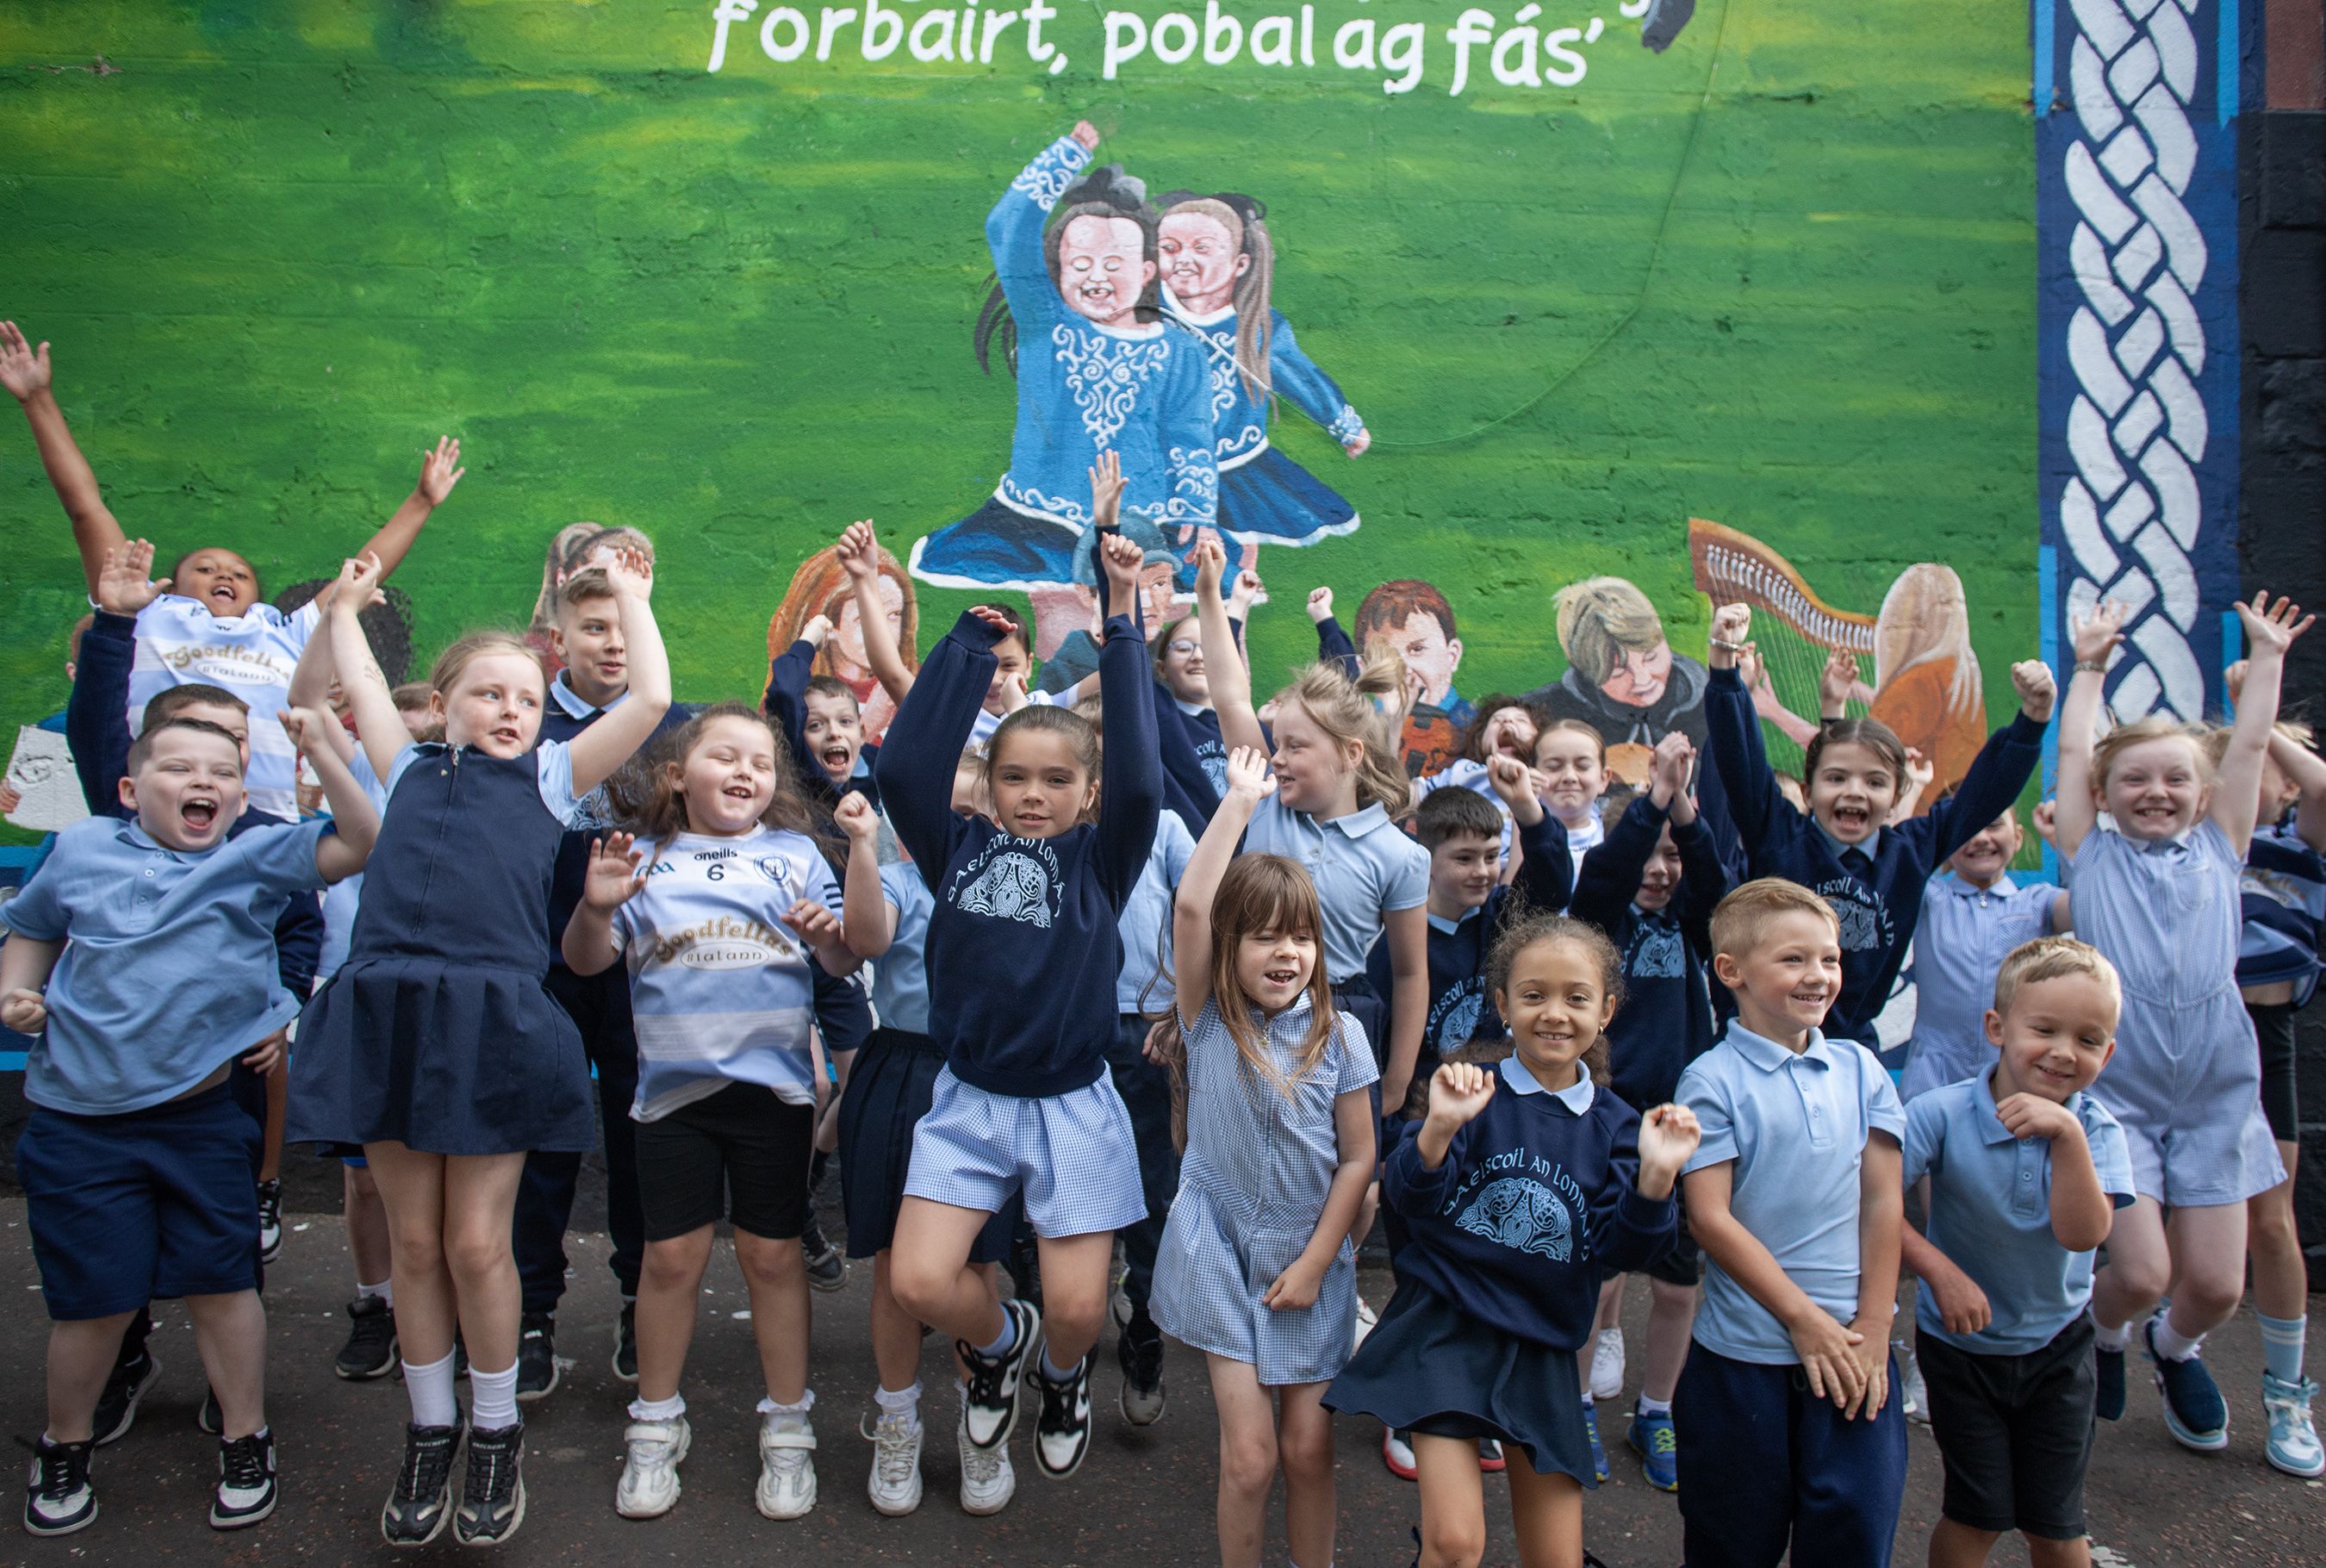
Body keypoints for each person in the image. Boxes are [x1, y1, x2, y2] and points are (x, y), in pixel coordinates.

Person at [284, 545, 670, 1547]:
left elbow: (650, 697)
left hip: (492, 1022)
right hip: (393, 1016)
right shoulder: (403, 764)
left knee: (473, 1242)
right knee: (414, 1243)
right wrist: (346, 606)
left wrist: (629, 594)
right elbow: (362, 674)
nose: (511, 710)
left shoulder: (549, 780)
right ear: (443, 701)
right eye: (488, 693)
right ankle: (430, 1427)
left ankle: (494, 1433)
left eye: (528, 699)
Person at [1, 705, 377, 1537]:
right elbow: (31, 929)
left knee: (223, 1282)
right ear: (133, 790)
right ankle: (65, 1444)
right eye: (179, 769)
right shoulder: (81, 850)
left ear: (242, 798)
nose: (203, 782)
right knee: (92, 1300)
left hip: (201, 1118)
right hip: (78, 1120)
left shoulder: (254, 856)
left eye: (224, 772)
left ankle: (247, 1436)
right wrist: (14, 993)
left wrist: (321, 750)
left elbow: (363, 839)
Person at [875, 517, 1161, 1484]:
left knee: (1080, 1312)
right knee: (920, 1280)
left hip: (1075, 1102)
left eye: (1055, 780)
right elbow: (903, 768)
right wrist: (964, 651)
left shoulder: (1103, 858)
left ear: (1088, 792)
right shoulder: (954, 846)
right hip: (970, 1098)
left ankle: (1065, 1372)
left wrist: (1123, 627)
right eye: (1014, 778)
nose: (1033, 794)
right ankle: (1000, 1344)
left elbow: (1146, 774)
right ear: (990, 786)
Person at [558, 706, 858, 1522]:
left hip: (773, 1097)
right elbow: (588, 962)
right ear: (676, 775)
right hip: (672, 1100)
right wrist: (594, 908)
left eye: (760, 762)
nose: (744, 771)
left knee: (771, 1257)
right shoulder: (641, 858)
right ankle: (656, 1425)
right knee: (669, 1261)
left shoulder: (796, 855)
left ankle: (788, 1427)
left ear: (773, 784)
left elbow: (840, 958)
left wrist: (830, 933)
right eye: (723, 756)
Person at [1328, 915, 1697, 1568]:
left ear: (1607, 1010)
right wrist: (1438, 1129)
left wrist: (1657, 1179)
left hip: (1544, 1345)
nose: (1554, 1014)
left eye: (1576, 997)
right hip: (1445, 1333)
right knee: (1455, 1544)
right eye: (1533, 995)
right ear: (1502, 1005)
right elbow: (1409, 1201)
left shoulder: (1619, 1127)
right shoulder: (1472, 1091)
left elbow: (1625, 1253)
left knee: (1555, 1558)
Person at [60, 538, 328, 1436]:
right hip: (109, 1073)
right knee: (112, 1239)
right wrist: (114, 624)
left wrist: (284, 1006)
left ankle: (230, 1383)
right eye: (194, 752)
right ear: (140, 773)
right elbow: (97, 723)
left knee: (221, 1243)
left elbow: (299, 932)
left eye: (237, 749)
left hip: (226, 1064)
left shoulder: (261, 837)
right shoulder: (117, 823)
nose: (221, 767)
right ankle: (123, 1347)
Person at [0, 320, 457, 825]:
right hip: (159, 817)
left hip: (257, 824)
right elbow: (86, 510)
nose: (227, 575)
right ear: (172, 588)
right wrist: (36, 401)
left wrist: (421, 502)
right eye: (207, 567)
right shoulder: (147, 613)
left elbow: (363, 570)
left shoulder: (281, 633)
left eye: (240, 573)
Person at [2053, 594, 2310, 1456]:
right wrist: (2089, 664)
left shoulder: (2220, 846)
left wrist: (2267, 661)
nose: (2155, 790)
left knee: (2212, 1285)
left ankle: (2175, 1344)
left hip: (2215, 1097)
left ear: (2203, 798)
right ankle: (2111, 1331)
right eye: (2135, 778)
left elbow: (2244, 747)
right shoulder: (2092, 854)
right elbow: (2074, 745)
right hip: (2120, 1098)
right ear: (2102, 793)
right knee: (2140, 1272)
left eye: (2174, 779)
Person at [1147, 747, 1378, 1568]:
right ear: (1229, 947)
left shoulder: (1343, 1036)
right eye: (1265, 938)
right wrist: (1239, 803)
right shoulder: (1208, 1018)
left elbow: (1359, 1162)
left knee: (1310, 1452)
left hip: (1309, 1259)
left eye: (1303, 937)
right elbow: (1188, 906)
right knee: (1252, 1457)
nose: (1287, 954)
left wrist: (1320, 1263)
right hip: (1217, 1248)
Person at [911, 123, 1218, 658]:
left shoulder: (1180, 349)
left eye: (1114, 265)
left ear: (1147, 271)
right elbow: (1007, 227)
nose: (1097, 277)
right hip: (1043, 525)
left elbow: (1190, 437)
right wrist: (1068, 153)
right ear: (1056, 274)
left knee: (1162, 658)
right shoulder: (1044, 325)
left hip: (1152, 530)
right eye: (1080, 265)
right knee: (1065, 654)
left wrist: (1198, 507)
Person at [1673, 878, 1908, 1568]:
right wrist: (1801, 1319)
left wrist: (1875, 1327)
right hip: (1743, 1363)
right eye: (1795, 960)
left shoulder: (1863, 1070)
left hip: (1854, 1354)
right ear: (1732, 971)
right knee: (1732, 1542)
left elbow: (1883, 1203)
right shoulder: (1710, 1080)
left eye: (1830, 960)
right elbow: (1710, 1219)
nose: (1819, 976)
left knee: (1854, 1537)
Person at [1701, 600, 2053, 1055]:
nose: (1854, 792)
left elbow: (1983, 795)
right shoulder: (1779, 834)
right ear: (1807, 793)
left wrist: (2032, 721)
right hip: (1761, 1041)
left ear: (1894, 799)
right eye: (1836, 778)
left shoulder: (1910, 851)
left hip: (1851, 1050)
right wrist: (1724, 669)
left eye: (1875, 781)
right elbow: (1740, 756)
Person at [508, 564, 691, 1401]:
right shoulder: (525, 723)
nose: (611, 642)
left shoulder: (675, 728)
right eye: (593, 627)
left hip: (641, 970)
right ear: (559, 637)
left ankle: (633, 1296)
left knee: (635, 1139)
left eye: (624, 626)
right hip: (539, 965)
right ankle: (532, 1310)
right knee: (542, 1140)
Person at [1900, 936, 2134, 1568]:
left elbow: (2084, 1235)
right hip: (1959, 1352)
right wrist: (1938, 1271)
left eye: (2088, 1041)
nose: (2063, 1053)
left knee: (2057, 1528)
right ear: (1998, 1028)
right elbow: (1872, 1208)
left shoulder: (2097, 1131)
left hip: (2058, 1348)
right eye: (2045, 1030)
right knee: (1976, 1517)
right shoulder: (1939, 1114)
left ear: (2107, 1054)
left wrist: (2068, 1137)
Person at [830, 778, 1027, 1518]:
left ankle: (983, 1425)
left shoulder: (1020, 889)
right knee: (892, 1262)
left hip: (986, 1080)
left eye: (978, 815)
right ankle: (898, 1419)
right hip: (904, 1071)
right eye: (946, 817)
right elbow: (866, 939)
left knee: (975, 1264)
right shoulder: (900, 880)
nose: (963, 830)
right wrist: (860, 846)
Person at [1192, 540, 1429, 1121]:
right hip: (1248, 1013)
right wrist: (1208, 596)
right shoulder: (1268, 806)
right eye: (1278, 743)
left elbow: (1409, 971)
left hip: (1343, 1020)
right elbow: (1229, 694)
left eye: (1296, 747)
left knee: (1338, 1177)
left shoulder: (1399, 854)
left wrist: (1397, 1080)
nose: (1276, 757)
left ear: (1350, 754)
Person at [1567, 731, 1730, 1492]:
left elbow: (1715, 882)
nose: (1660, 870)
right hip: (1611, 1118)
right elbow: (1606, 871)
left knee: (1676, 1284)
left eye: (1672, 856)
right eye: (1650, 854)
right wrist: (1652, 801)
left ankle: (1656, 1410)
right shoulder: (1600, 921)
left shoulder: (1697, 925)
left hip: (1683, 1122)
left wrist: (1682, 810)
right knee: (1598, 1279)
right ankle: (1572, 1412)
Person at [2214, 671, 2326, 1479]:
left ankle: (2288, 1393)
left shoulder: (2305, 845)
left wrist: (2258, 706)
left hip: (2269, 1036)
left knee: (2274, 1222)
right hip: (2197, 1035)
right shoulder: (2207, 847)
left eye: (2263, 766)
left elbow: (2316, 783)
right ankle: (2165, 1343)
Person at [1156, 189, 1370, 563]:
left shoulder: (1253, 325)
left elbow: (1297, 374)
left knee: (1237, 562)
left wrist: (1342, 423)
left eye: (1201, 248)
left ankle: (1235, 620)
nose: (1184, 260)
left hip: (1238, 468)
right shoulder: (1145, 318)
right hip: (1165, 471)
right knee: (1163, 567)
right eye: (1169, 248)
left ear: (1240, 264)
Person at [1898, 806, 2070, 1104]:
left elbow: (2095, 905)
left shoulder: (2037, 903)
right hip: (1933, 1074)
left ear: (2017, 838)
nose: (1979, 837)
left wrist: (2063, 844)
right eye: (1966, 828)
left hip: (2014, 1074)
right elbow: (1893, 861)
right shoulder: (1930, 899)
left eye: (1992, 825)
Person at [1524, 577, 1711, 786]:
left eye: (1651, 657)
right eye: (1619, 671)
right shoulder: (1544, 712)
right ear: (1589, 674)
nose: (1642, 678)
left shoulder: (1711, 702)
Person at [765, 535, 917, 744]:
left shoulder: (916, 683)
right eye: (863, 617)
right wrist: (868, 727)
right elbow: (799, 771)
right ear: (829, 626)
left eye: (893, 614)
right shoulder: (795, 697)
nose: (885, 633)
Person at [1353, 581, 1471, 776]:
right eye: (1385, 656)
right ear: (1364, 670)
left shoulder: (1472, 725)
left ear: (1452, 656)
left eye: (1417, 650)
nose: (1404, 669)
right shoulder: (1356, 731)